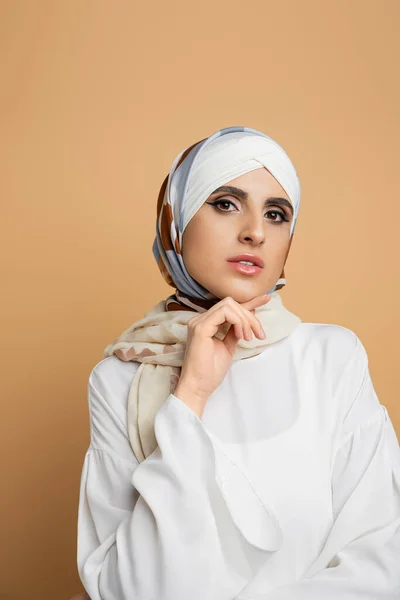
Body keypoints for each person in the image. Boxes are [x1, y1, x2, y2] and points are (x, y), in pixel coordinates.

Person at [76, 126, 400, 599]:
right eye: (225, 203)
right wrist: (190, 397)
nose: (254, 231)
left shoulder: (331, 359)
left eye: (276, 214)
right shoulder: (119, 379)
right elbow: (129, 588)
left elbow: (382, 562)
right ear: (178, 220)